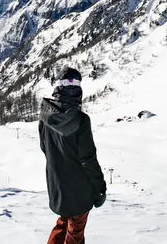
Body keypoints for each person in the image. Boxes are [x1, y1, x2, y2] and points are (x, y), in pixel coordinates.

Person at [39, 67, 106, 244]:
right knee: (75, 231)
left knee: (62, 224)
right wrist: (100, 187)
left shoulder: (45, 117)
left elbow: (45, 148)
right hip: (79, 191)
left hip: (58, 187)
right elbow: (88, 159)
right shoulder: (81, 120)